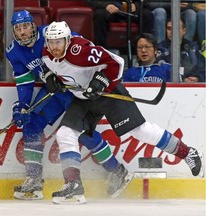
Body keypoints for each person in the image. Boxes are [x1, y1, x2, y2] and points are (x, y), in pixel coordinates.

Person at [41, 21, 203, 204]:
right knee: (65, 132)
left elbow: (117, 62)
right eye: (51, 42)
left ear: (67, 40)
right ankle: (73, 186)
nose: (54, 46)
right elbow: (50, 68)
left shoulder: (81, 50)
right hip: (83, 98)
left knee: (139, 130)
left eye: (58, 42)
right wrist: (49, 77)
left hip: (109, 92)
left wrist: (101, 81)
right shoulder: (46, 53)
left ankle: (187, 152)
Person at [5, 10, 132, 201]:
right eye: (18, 28)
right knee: (31, 123)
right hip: (53, 92)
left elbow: (80, 47)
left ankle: (117, 170)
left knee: (81, 131)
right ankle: (34, 180)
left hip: (75, 89)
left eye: (26, 26)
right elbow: (24, 81)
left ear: (34, 26)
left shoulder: (52, 32)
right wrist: (22, 105)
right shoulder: (13, 51)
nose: (22, 31)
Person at [86, 0, 154, 49]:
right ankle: (101, 51)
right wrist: (106, 5)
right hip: (112, 8)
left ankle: (145, 49)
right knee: (99, 15)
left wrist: (136, 5)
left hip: (132, 9)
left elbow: (146, 2)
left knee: (147, 15)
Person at [157, 17, 204, 82]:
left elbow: (203, 67)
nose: (172, 32)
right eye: (169, 29)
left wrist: (197, 78)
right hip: (169, 88)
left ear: (184, 30)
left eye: (176, 28)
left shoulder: (193, 47)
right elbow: (159, 72)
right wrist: (182, 79)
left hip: (194, 86)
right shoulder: (161, 48)